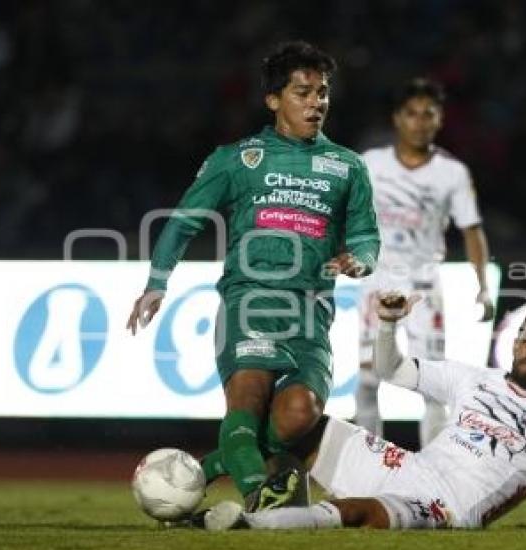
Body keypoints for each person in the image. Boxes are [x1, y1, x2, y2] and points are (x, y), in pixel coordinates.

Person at [126, 41, 380, 512]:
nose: (316, 103)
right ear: (273, 99)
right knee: (246, 400)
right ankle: (261, 499)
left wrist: (359, 260)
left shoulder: (348, 166)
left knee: (298, 416)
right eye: (303, 93)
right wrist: (157, 283)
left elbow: (366, 236)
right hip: (251, 301)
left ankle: (199, 473)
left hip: (311, 312)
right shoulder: (238, 159)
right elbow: (184, 221)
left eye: (322, 93)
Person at [202, 292, 526, 533]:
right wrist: (390, 324)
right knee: (292, 424)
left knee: (355, 514)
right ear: (516, 339)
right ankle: (193, 478)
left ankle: (250, 524)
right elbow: (391, 367)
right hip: (409, 466)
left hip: (450, 507)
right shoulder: (472, 379)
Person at [357, 78, 493, 446]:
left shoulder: (452, 172)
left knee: (431, 381)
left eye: (428, 114)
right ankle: (366, 465)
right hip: (376, 280)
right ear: (397, 119)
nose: (419, 122)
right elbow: (347, 214)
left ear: (440, 120)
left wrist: (482, 286)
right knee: (368, 378)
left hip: (423, 283)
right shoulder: (370, 164)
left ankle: (432, 473)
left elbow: (472, 230)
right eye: (412, 114)